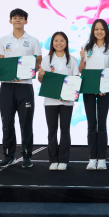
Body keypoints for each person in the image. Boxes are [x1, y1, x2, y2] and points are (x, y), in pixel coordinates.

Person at [0, 8, 42, 169]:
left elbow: (38, 61)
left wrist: (29, 71)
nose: (18, 20)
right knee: (7, 122)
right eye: (15, 18)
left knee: (26, 123)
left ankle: (27, 155)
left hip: (25, 86)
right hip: (7, 87)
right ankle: (8, 155)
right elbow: (1, 63)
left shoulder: (33, 40)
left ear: (25, 21)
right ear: (10, 21)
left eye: (21, 18)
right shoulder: (3, 40)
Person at [79, 19, 109, 171]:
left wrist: (104, 86)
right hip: (88, 88)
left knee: (102, 125)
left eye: (102, 29)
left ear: (106, 31)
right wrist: (82, 57)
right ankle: (91, 158)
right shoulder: (87, 47)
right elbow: (82, 70)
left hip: (104, 90)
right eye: (96, 29)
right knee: (91, 125)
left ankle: (102, 159)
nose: (99, 32)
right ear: (93, 31)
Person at [38, 31, 80, 171]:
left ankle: (63, 160)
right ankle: (53, 159)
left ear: (66, 43)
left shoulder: (72, 60)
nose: (59, 43)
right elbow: (41, 80)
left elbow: (75, 81)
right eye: (56, 40)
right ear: (52, 43)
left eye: (62, 41)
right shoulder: (47, 59)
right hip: (50, 101)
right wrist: (40, 76)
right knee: (52, 130)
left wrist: (67, 94)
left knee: (65, 130)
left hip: (67, 102)